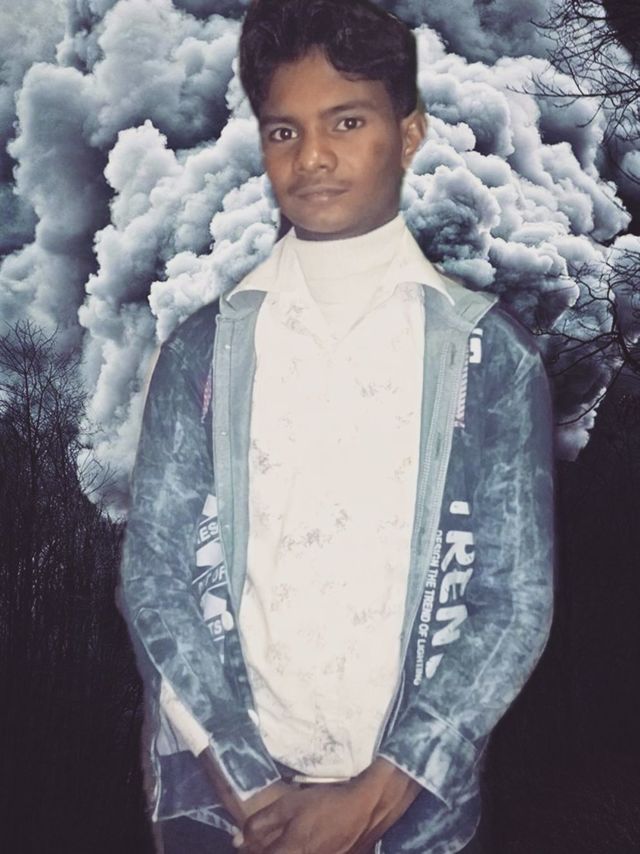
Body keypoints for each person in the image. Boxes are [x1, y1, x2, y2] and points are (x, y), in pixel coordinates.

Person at [118, 1, 555, 852]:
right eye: (284, 131)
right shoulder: (201, 352)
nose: (312, 156)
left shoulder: (490, 357)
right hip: (226, 815)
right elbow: (157, 580)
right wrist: (250, 787)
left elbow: (515, 602)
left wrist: (377, 795)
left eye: (347, 121)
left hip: (414, 817)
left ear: (410, 131)